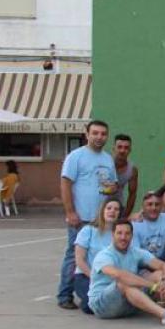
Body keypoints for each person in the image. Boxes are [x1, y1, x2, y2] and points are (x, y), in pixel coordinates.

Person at [58, 119, 118, 309]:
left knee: (99, 256)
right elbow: (65, 183)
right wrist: (70, 211)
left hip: (101, 219)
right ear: (87, 134)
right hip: (81, 217)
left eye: (103, 134)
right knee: (74, 256)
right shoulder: (76, 156)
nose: (99, 137)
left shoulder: (108, 159)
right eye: (95, 133)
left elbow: (113, 185)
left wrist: (112, 188)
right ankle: (64, 295)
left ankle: (95, 290)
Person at [89, 220, 165, 326]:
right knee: (123, 282)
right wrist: (153, 286)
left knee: (159, 275)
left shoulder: (136, 252)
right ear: (112, 235)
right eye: (119, 233)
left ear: (132, 236)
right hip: (102, 306)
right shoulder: (104, 255)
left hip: (129, 303)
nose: (123, 237)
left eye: (127, 233)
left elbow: (164, 265)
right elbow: (119, 275)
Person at [71, 198, 124, 313]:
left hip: (110, 277)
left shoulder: (121, 234)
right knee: (90, 307)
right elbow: (79, 260)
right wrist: (94, 277)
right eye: (109, 208)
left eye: (116, 209)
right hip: (86, 276)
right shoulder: (88, 230)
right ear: (102, 211)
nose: (112, 211)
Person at [130, 190, 165, 279]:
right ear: (143, 207)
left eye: (157, 204)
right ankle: (164, 283)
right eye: (150, 204)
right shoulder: (135, 224)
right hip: (144, 265)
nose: (154, 208)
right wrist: (160, 266)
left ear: (161, 206)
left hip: (164, 261)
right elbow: (137, 255)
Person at [111, 134, 139, 216]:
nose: (122, 150)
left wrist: (126, 215)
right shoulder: (104, 164)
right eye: (119, 147)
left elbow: (132, 194)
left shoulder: (132, 170)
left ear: (130, 150)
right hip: (98, 207)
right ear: (113, 149)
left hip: (117, 208)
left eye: (126, 148)